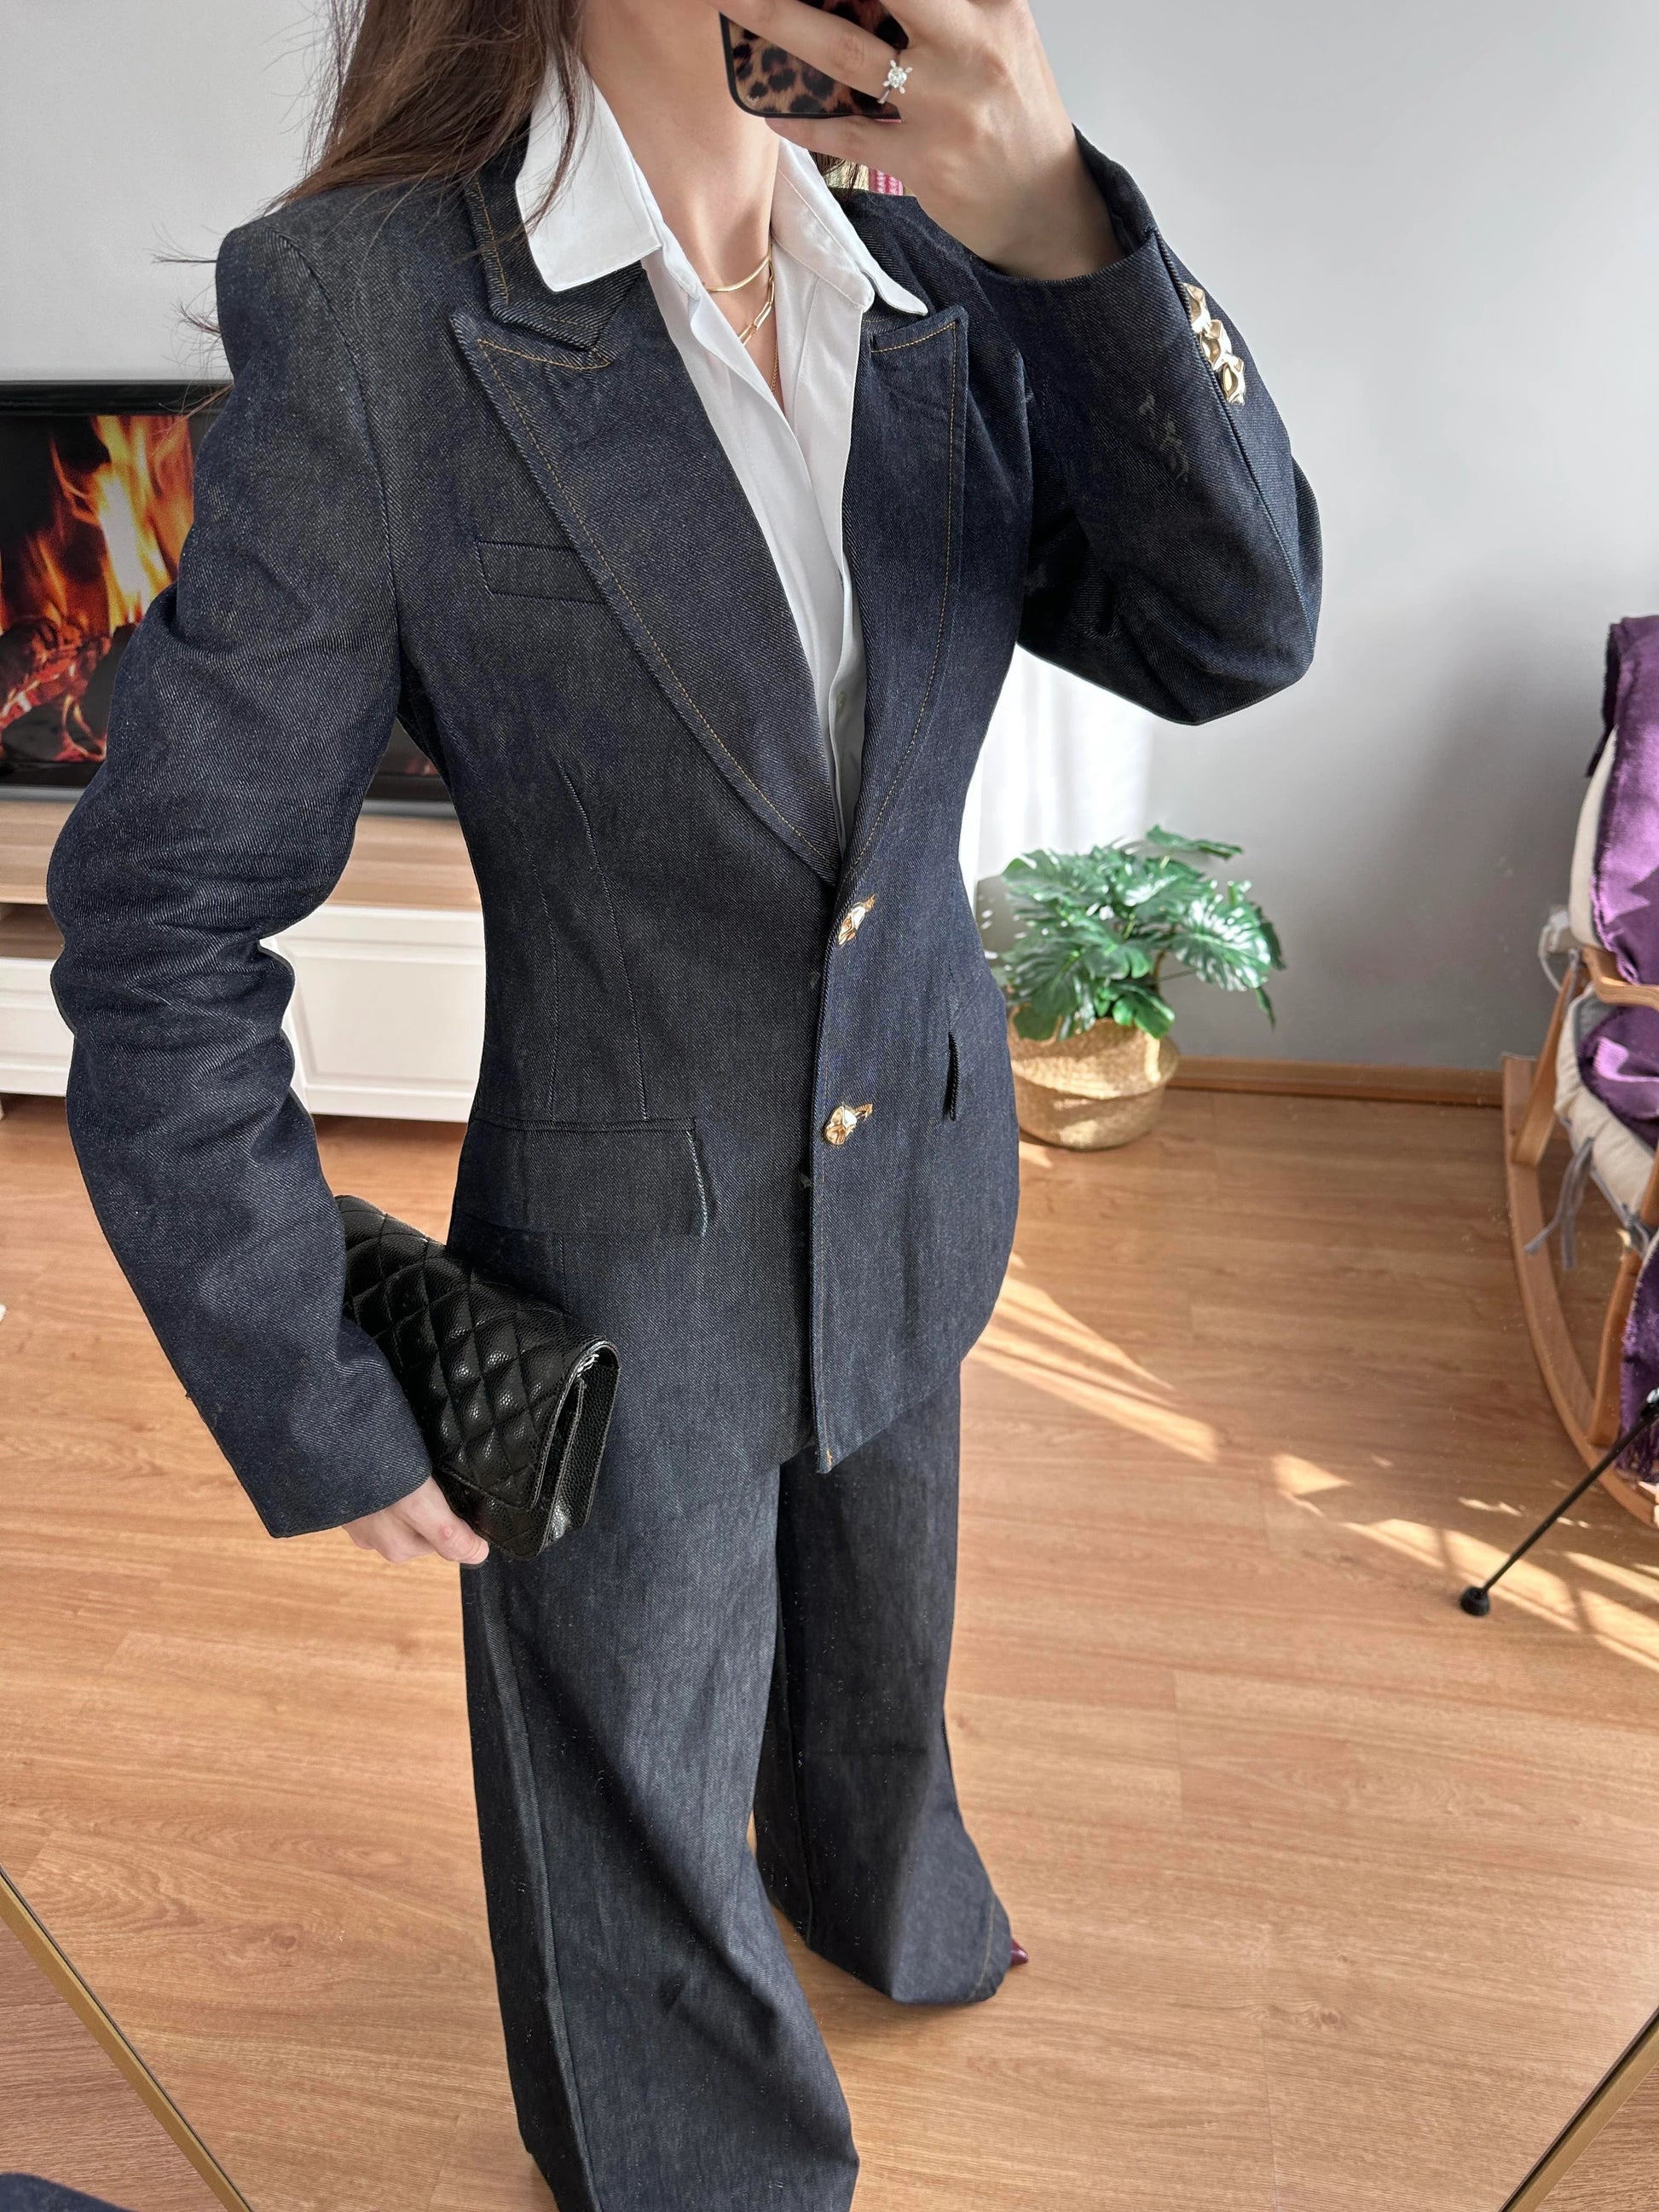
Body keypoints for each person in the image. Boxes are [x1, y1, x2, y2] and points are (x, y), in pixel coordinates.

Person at [45, 0, 1321, 2204]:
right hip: (622, 1264)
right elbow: (163, 919)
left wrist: (1056, 223)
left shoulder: (941, 264)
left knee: (878, 1657)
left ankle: (871, 1884)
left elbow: (1235, 625)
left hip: (921, 1160)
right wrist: (308, 1369)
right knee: (628, 1758)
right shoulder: (374, 311)